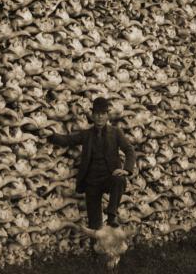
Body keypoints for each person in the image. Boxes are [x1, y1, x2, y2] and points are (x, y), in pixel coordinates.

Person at [46, 96, 136, 230]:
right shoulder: (86, 134)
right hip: (91, 182)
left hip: (108, 177)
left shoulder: (116, 133)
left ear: (107, 115)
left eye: (102, 114)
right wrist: (49, 134)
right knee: (94, 224)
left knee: (120, 180)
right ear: (92, 116)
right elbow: (67, 140)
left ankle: (111, 214)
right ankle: (96, 250)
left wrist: (126, 169)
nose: (99, 117)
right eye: (97, 114)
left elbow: (129, 150)